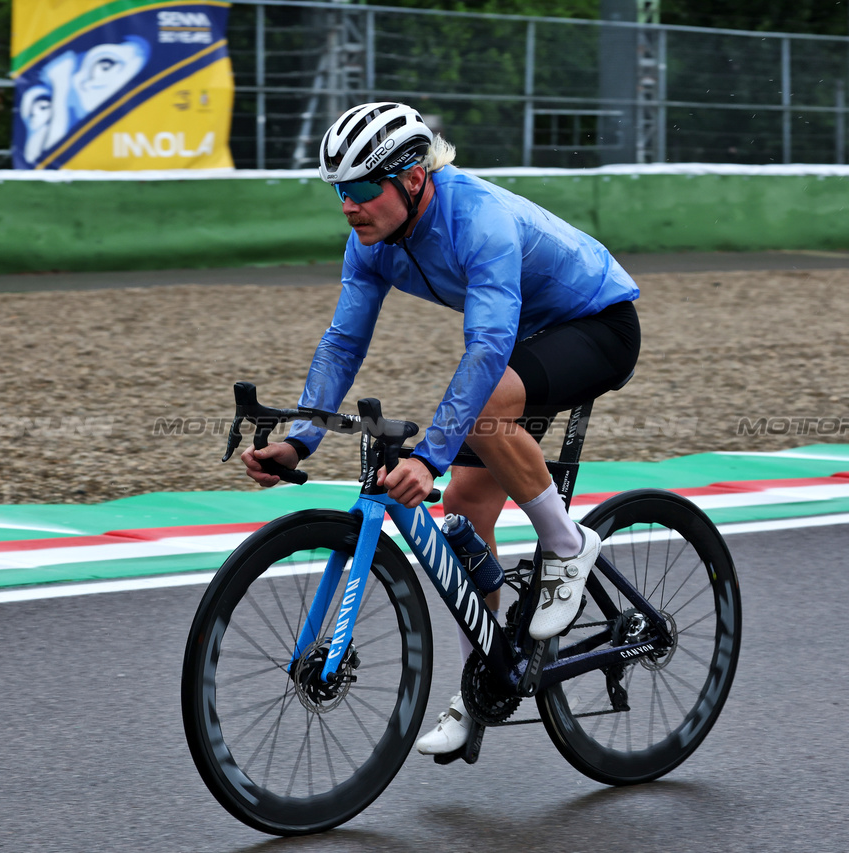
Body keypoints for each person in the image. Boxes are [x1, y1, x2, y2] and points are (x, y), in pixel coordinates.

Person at [240, 102, 641, 757]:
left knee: (482, 416)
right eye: (340, 190)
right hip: (525, 341)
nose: (349, 204)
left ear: (413, 179)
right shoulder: (371, 241)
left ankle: (568, 544)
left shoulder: (478, 220)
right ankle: (486, 677)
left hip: (596, 323)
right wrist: (299, 438)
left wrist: (429, 454)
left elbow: (486, 348)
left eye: (364, 187)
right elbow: (343, 342)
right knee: (459, 519)